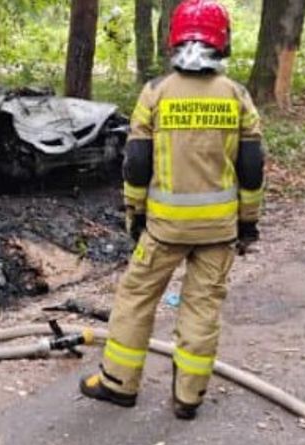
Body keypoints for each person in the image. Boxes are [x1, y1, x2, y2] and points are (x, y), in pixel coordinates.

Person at [80, 0, 265, 420]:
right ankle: (188, 396)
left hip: (164, 230)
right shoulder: (237, 96)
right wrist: (248, 223)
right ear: (223, 41)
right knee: (203, 307)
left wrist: (136, 214)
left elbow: (136, 164)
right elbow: (252, 170)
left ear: (174, 38)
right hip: (219, 231)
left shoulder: (156, 94)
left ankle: (119, 384)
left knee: (135, 299)